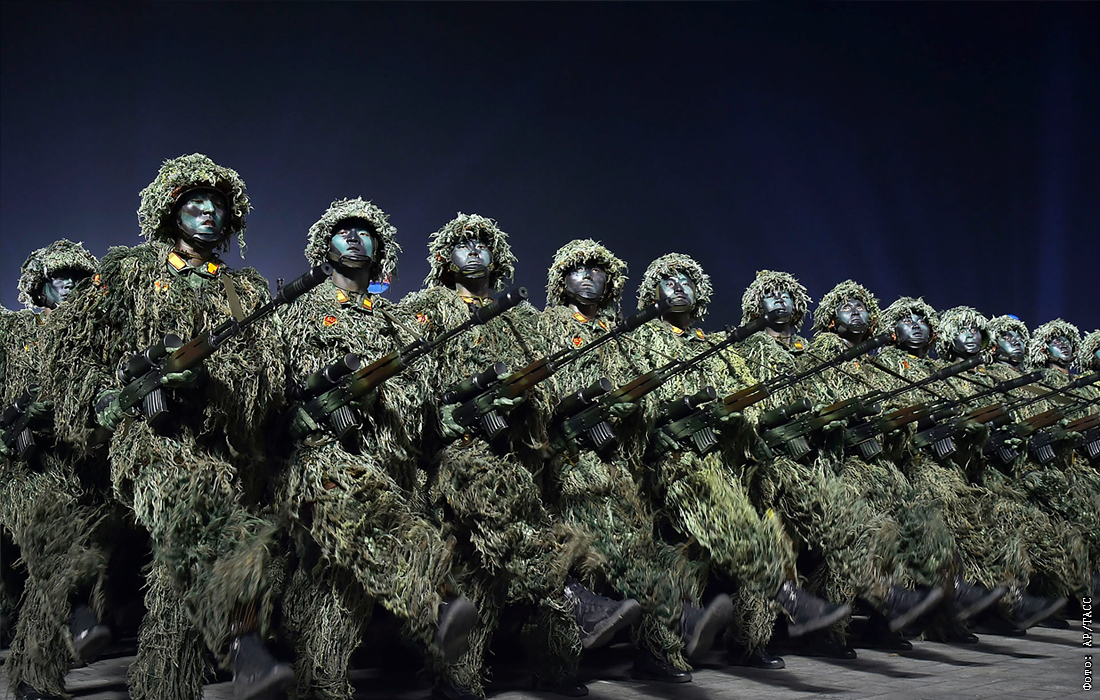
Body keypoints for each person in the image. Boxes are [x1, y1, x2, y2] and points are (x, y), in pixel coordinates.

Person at [42, 154, 294, 700]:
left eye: (217, 206)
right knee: (201, 516)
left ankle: (162, 685)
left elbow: (268, 376)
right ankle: (243, 641)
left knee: (178, 580)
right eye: (194, 202)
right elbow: (73, 353)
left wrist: (207, 378)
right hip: (147, 440)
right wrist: (111, 398)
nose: (207, 212)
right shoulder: (130, 273)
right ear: (168, 211)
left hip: (221, 450)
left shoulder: (243, 291)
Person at [402, 214, 623, 700]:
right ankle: (565, 601)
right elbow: (409, 384)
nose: (474, 250)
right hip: (456, 455)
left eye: (483, 243)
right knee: (506, 541)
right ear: (444, 258)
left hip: (515, 457)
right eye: (463, 243)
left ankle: (547, 665)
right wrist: (450, 417)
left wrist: (517, 401)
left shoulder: (521, 320)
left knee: (487, 568)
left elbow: (547, 391)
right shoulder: (426, 310)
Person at [273, 198, 476, 700]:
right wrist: (301, 414)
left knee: (342, 582)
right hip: (324, 460)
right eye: (342, 230)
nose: (353, 237)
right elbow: (274, 390)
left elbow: (423, 398)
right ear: (324, 246)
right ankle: (432, 604)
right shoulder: (299, 310)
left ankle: (325, 678)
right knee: (365, 540)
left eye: (365, 232)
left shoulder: (398, 322)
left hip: (391, 464)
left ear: (380, 250)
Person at [624, 257, 850, 669]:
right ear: (651, 293)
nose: (679, 286)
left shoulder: (716, 347)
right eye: (669, 281)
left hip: (717, 462)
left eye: (687, 280)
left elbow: (747, 399)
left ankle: (737, 637)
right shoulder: (639, 340)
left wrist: (732, 416)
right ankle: (781, 600)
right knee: (727, 529)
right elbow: (635, 401)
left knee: (728, 539)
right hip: (668, 462)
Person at [538, 240, 731, 683]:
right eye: (577, 269)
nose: (588, 276)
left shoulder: (624, 336)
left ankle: (660, 645)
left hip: (615, 466)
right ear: (560, 281)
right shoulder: (544, 326)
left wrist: (629, 410)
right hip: (567, 464)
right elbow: (535, 392)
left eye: (597, 269)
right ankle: (555, 662)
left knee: (640, 547)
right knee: (577, 559)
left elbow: (647, 403)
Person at [2, 240, 116, 700]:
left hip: (81, 469)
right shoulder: (13, 333)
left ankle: (34, 676)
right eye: (58, 277)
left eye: (77, 276)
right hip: (23, 470)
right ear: (40, 286)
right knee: (57, 547)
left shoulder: (97, 338)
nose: (68, 284)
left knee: (56, 572)